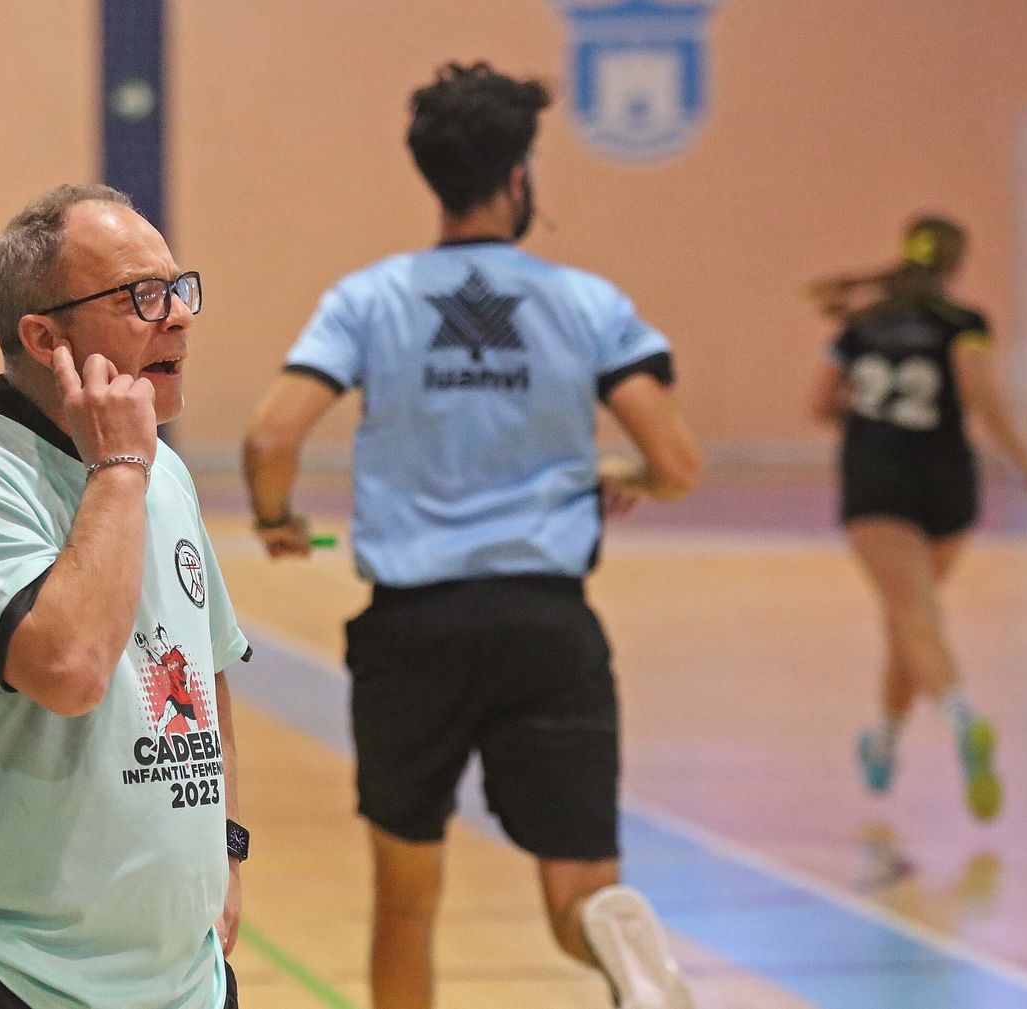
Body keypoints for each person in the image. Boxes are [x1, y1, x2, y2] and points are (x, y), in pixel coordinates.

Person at [242, 63, 704, 1009]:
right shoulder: (587, 302)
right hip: (549, 628)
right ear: (519, 179)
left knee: (407, 898)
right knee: (579, 892)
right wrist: (634, 480)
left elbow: (269, 435)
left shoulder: (368, 298)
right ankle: (619, 951)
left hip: (414, 634)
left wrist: (277, 522)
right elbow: (678, 459)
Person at [0, 184, 250, 1009]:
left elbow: (208, 664)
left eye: (178, 288)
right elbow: (72, 668)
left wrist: (226, 846)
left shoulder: (166, 473)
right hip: (15, 973)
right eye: (140, 297)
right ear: (44, 337)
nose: (179, 317)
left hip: (183, 979)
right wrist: (119, 468)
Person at [808, 216, 1027, 821]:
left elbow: (817, 406)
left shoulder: (857, 326)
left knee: (912, 614)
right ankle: (885, 739)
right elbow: (978, 398)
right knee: (911, 618)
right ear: (955, 264)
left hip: (877, 482)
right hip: (948, 483)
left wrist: (868, 423)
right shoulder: (966, 325)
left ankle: (960, 715)